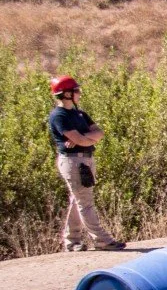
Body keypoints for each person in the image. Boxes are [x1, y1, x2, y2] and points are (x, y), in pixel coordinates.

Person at [46, 76, 124, 252]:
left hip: (85, 159)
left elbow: (98, 132)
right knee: (85, 202)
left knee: (78, 199)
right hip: (73, 162)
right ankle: (102, 240)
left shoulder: (79, 113)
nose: (79, 93)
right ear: (66, 94)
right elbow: (80, 138)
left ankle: (72, 241)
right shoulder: (59, 116)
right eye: (76, 90)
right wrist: (85, 138)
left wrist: (84, 139)